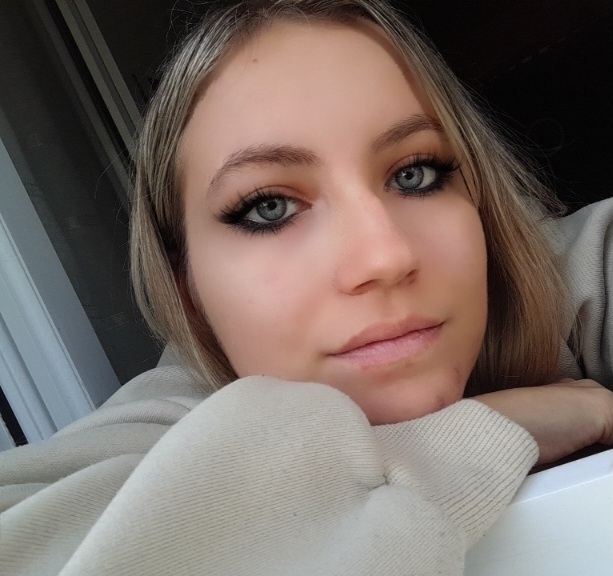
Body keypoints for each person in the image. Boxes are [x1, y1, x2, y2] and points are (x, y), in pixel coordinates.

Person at [1, 1, 611, 574]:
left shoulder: (570, 279)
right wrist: (495, 431)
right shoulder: (172, 414)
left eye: (415, 173)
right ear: (189, 290)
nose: (386, 257)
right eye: (268, 207)